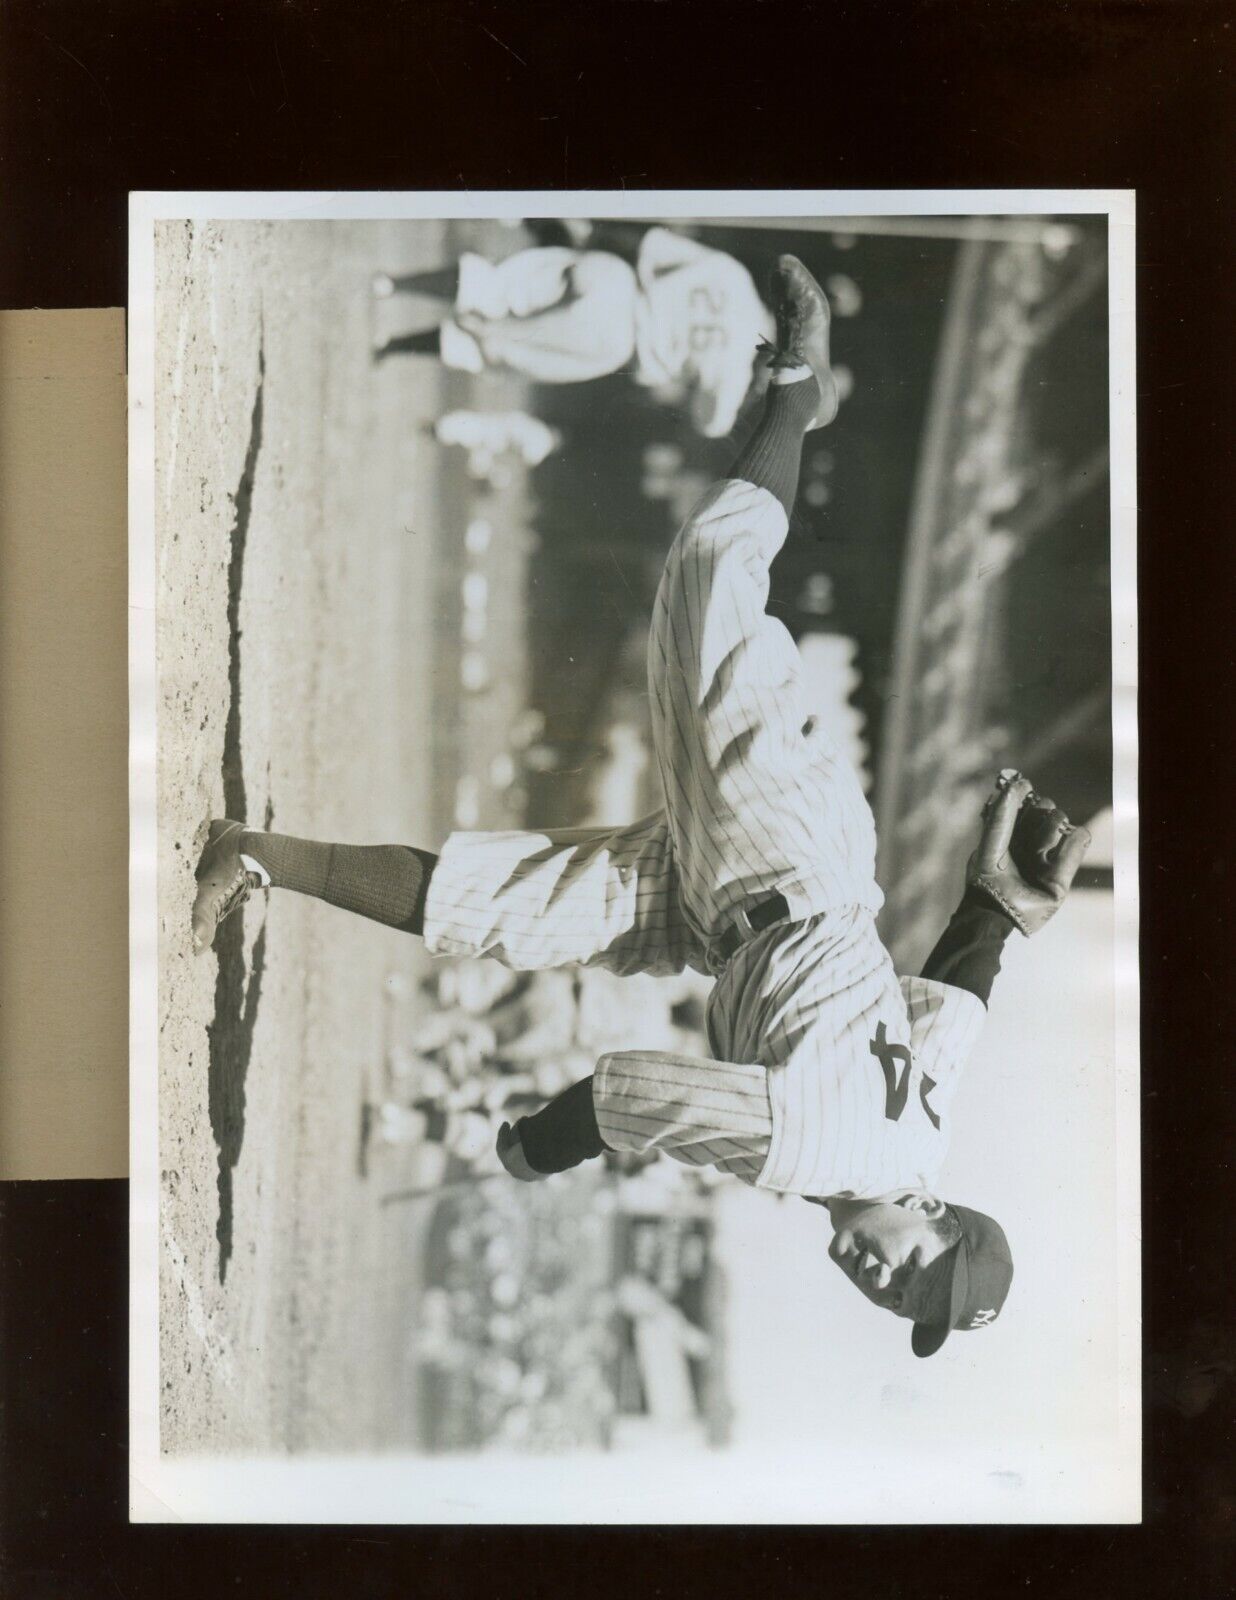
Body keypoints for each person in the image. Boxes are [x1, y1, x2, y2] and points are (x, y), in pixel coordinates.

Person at [193, 257, 1089, 1357]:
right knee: (708, 575)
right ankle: (799, 378)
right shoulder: (812, 1154)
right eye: (914, 1271)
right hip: (780, 851)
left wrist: (999, 911)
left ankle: (247, 853)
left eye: (901, 1304)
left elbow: (956, 1001)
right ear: (933, 1215)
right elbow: (622, 1093)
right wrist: (531, 1152)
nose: (882, 1280)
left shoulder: (924, 1133)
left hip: (720, 913)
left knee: (500, 908)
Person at [371, 228, 775, 439]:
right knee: (492, 349)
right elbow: (711, 423)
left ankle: (393, 284)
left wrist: (593, 242)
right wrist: (749, 390)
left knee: (496, 286)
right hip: (615, 342)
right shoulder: (739, 370)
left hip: (618, 283)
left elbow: (652, 245)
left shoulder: (735, 275)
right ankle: (394, 346)